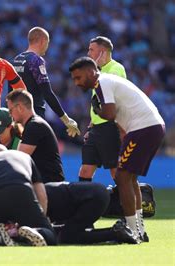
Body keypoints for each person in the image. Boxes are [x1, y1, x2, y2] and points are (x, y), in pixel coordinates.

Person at [69, 56, 165, 242]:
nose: (76, 83)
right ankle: (139, 230)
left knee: (122, 178)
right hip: (149, 127)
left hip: (143, 128)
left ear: (91, 72)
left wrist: (98, 111)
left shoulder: (102, 81)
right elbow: (118, 119)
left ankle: (132, 231)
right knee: (129, 179)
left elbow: (109, 113)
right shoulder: (106, 83)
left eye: (78, 77)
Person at [0, 144, 56, 246]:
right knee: (50, 235)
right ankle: (34, 232)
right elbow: (42, 194)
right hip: (19, 188)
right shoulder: (23, 156)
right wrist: (40, 218)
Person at [12, 27, 79, 138]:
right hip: (34, 114)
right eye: (47, 43)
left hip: (17, 116)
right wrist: (66, 119)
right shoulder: (36, 60)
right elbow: (47, 93)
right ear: (43, 41)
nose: (47, 47)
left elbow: (11, 91)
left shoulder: (16, 59)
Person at [79, 36, 127, 182]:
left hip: (110, 126)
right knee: (85, 170)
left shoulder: (115, 68)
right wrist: (92, 125)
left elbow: (110, 98)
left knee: (115, 171)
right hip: (97, 127)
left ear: (103, 52)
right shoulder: (98, 71)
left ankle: (130, 203)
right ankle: (85, 203)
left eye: (91, 50)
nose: (88, 53)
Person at [45, 181, 138, 244]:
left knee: (68, 236)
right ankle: (117, 231)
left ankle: (116, 233)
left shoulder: (35, 200)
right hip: (95, 193)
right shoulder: (39, 192)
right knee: (67, 233)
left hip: (93, 198)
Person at [6, 90, 65, 183]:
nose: (10, 114)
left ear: (20, 108)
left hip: (51, 187)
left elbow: (18, 160)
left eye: (10, 110)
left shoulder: (34, 126)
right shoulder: (33, 124)